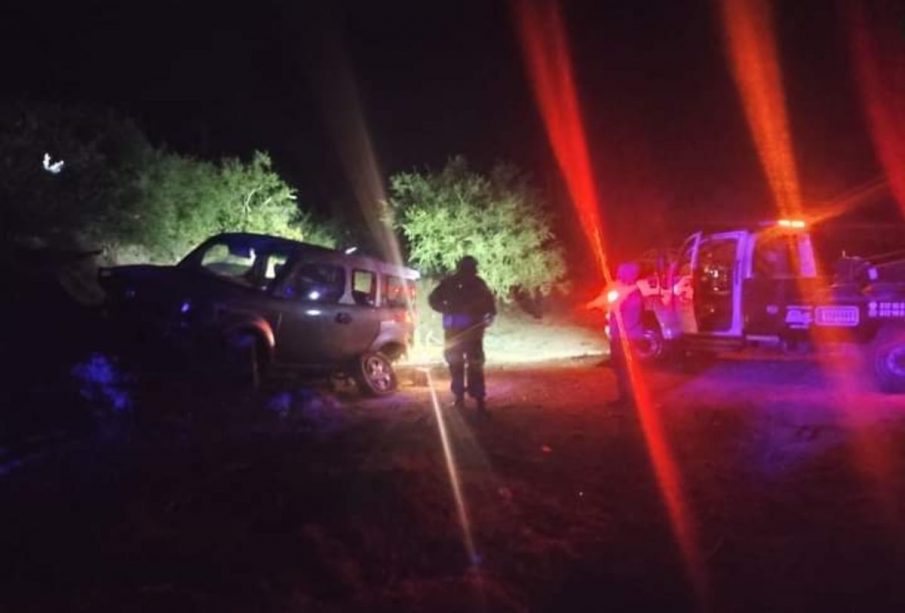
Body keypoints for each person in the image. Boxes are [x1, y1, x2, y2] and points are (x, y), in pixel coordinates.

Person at [429, 255, 496, 413]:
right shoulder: (459, 283)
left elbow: (490, 305)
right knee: (464, 364)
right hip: (462, 331)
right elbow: (433, 300)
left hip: (465, 331)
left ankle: (471, 400)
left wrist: (487, 316)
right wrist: (445, 309)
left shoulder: (468, 283)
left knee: (465, 364)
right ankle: (470, 400)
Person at [586, 262, 644, 406]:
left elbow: (628, 318)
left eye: (622, 274)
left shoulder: (632, 294)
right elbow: (606, 301)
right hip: (620, 336)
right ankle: (626, 398)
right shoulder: (623, 291)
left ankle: (630, 400)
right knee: (621, 369)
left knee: (625, 370)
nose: (619, 277)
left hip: (626, 338)